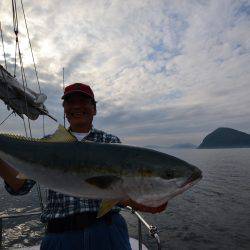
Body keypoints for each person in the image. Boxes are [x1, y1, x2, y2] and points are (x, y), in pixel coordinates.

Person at [0, 83, 167, 250]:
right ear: (65, 109)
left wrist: (147, 200)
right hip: (60, 236)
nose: (77, 106)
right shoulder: (48, 145)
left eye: (84, 101)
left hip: (107, 232)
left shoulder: (110, 143)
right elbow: (19, 186)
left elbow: (119, 192)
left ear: (94, 109)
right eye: (70, 102)